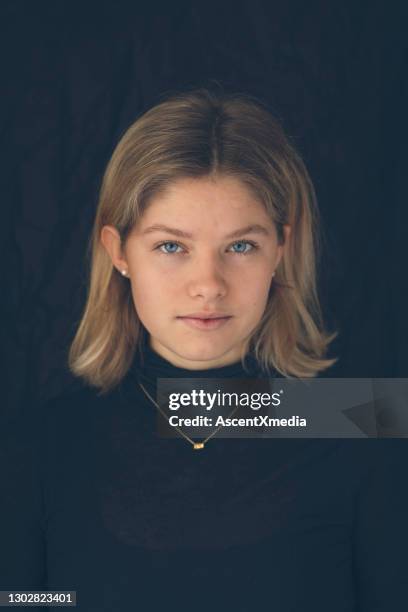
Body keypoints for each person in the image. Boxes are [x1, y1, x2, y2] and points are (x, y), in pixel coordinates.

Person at [1, 86, 407, 611]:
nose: (208, 284)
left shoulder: (368, 422)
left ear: (279, 251)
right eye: (172, 246)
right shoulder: (37, 450)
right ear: (118, 252)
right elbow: (26, 602)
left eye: (241, 246)